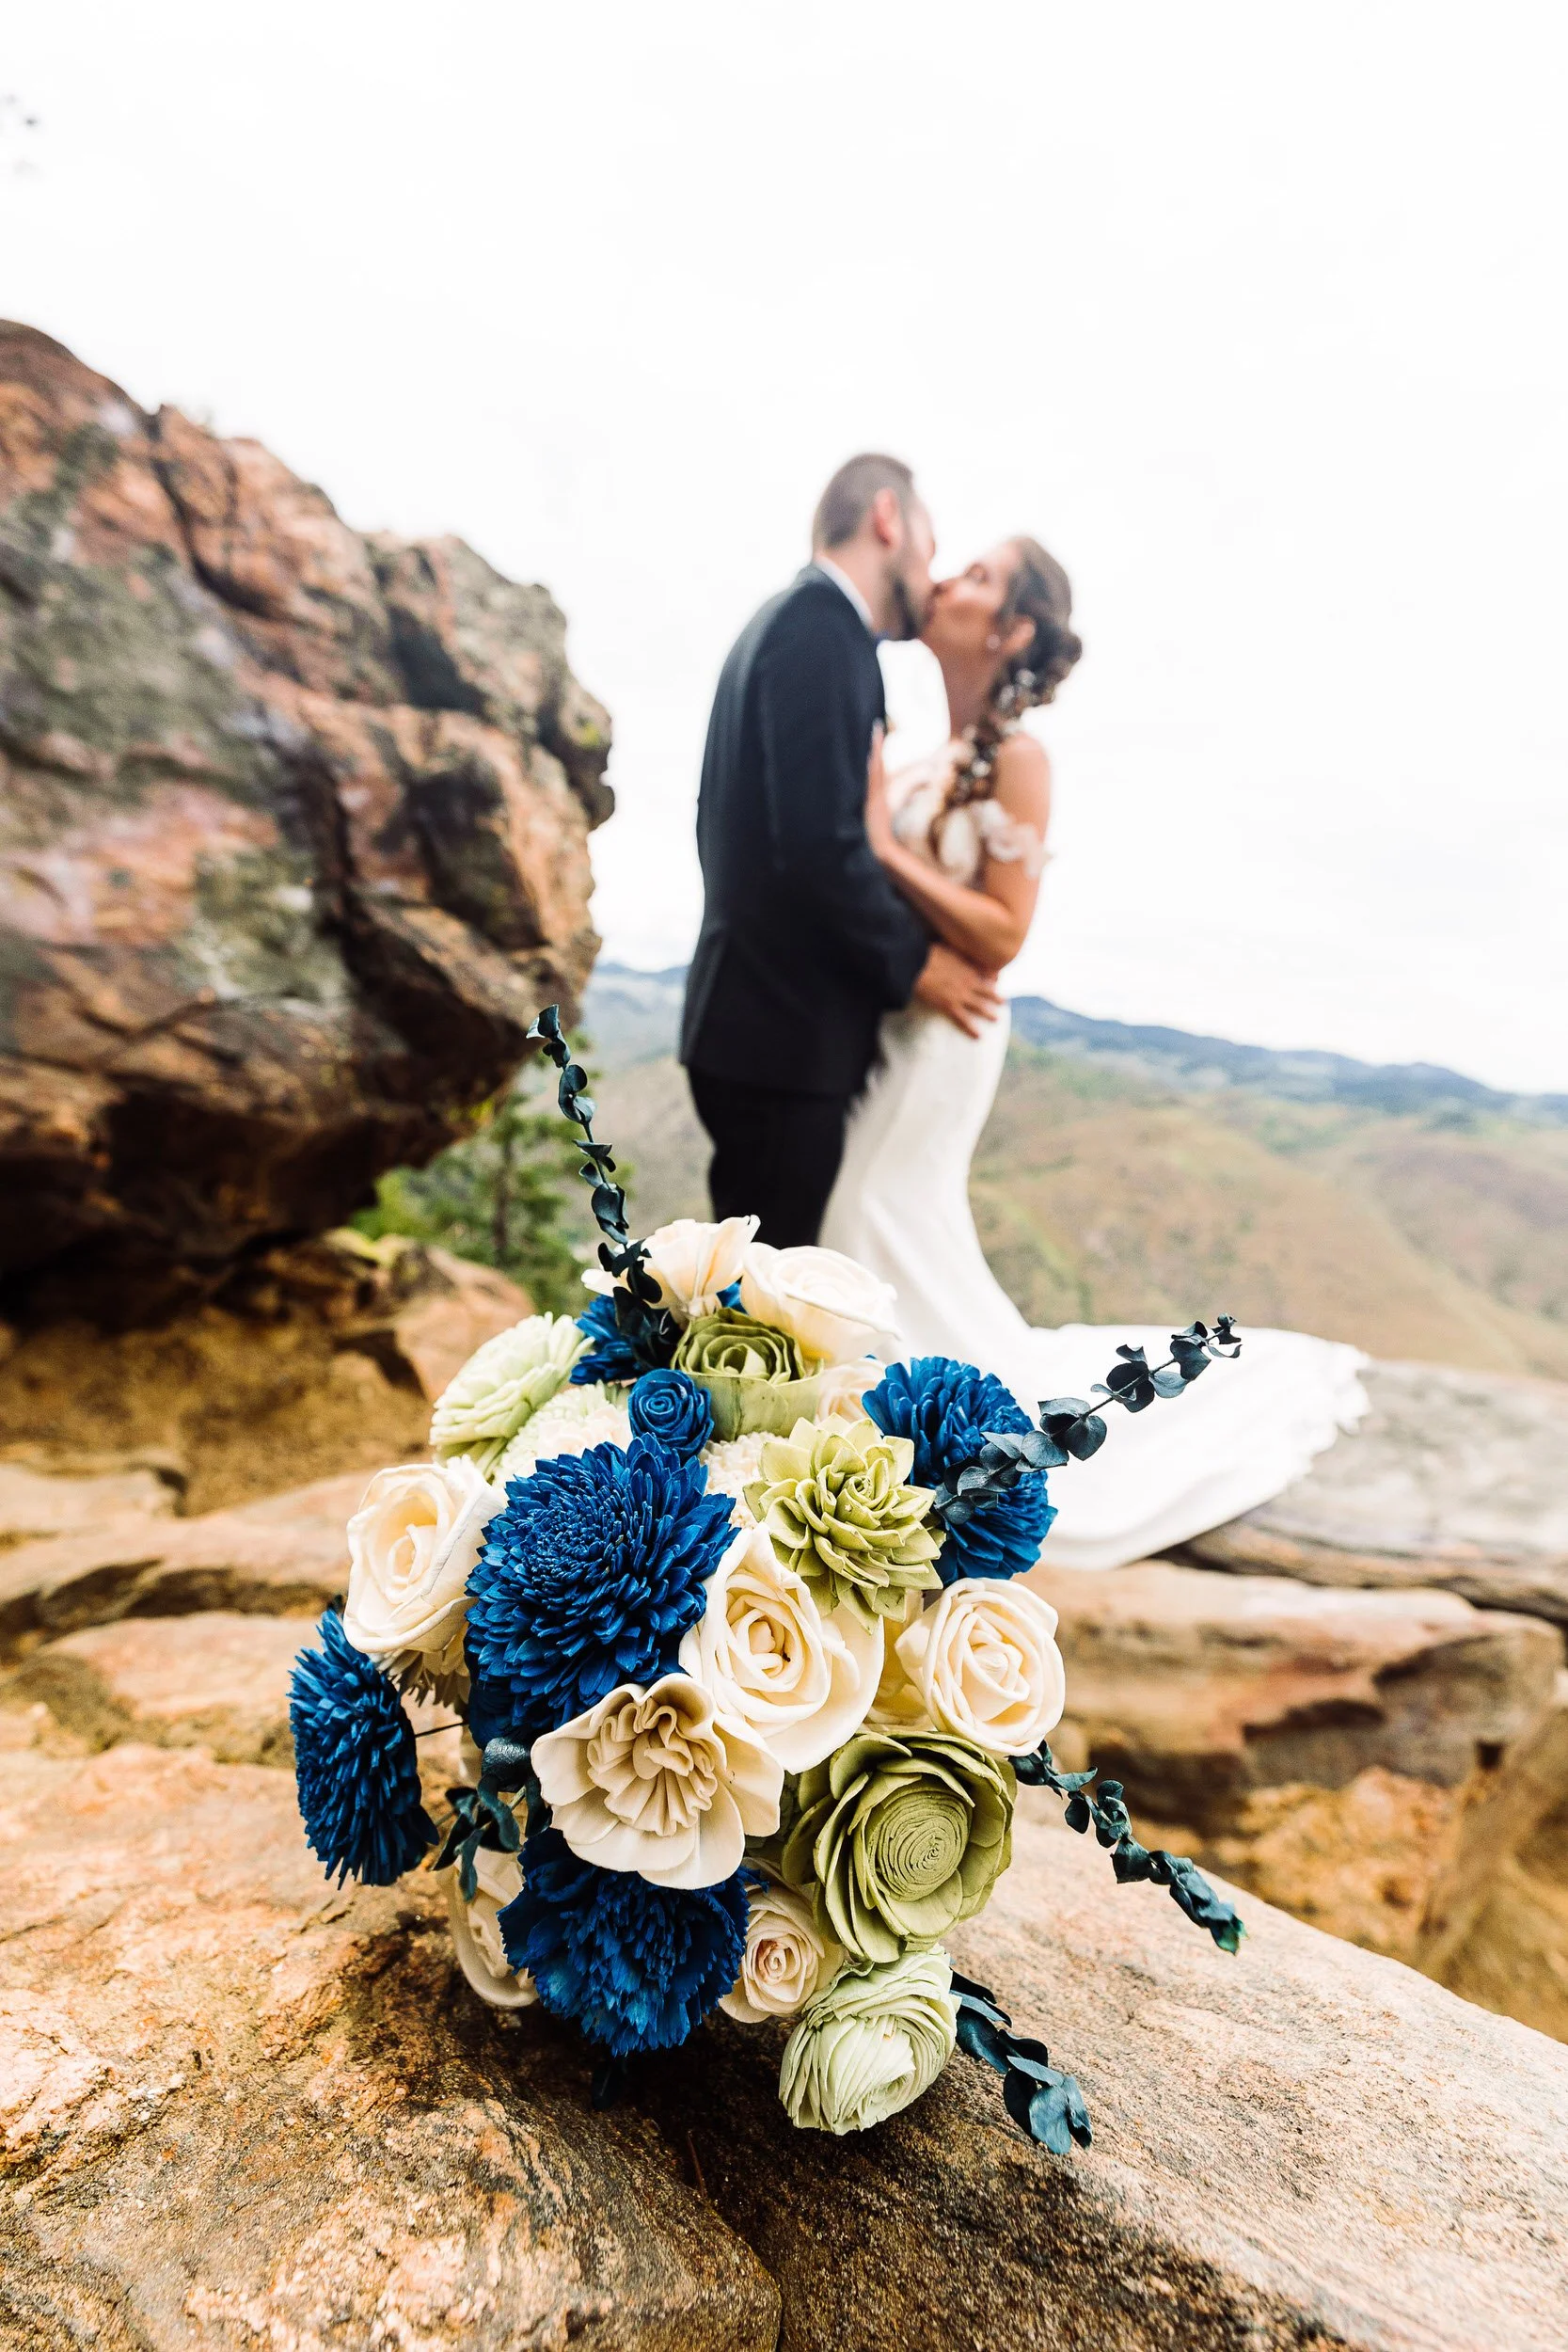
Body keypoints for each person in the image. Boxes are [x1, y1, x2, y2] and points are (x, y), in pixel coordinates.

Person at [819, 535, 1367, 1568]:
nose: (946, 582)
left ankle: (923, 1435)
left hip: (948, 1035)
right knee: (873, 1224)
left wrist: (886, 850)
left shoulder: (1020, 760)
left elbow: (1002, 930)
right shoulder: (925, 752)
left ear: (1011, 629)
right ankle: (886, 1417)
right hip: (884, 1031)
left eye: (976, 578)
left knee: (871, 1207)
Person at [679, 453, 1002, 1247]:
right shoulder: (820, 633)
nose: (931, 574)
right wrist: (914, 964)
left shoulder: (791, 623)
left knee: (765, 1300)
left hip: (758, 1025)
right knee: (767, 1317)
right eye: (929, 543)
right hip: (781, 1042)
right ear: (888, 520)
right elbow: (820, 846)